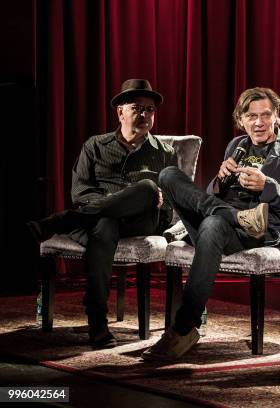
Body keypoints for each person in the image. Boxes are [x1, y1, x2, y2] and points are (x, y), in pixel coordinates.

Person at [142, 87, 280, 361]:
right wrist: (219, 181)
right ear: (240, 119)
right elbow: (207, 197)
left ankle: (184, 327)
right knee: (168, 174)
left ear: (276, 116)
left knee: (212, 224)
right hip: (224, 217)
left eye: (266, 115)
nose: (259, 122)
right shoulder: (236, 145)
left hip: (254, 229)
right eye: (251, 116)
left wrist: (268, 186)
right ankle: (229, 215)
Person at [27, 79, 178, 348]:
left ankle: (61, 221)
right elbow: (81, 193)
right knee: (105, 224)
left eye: (150, 109)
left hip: (140, 222)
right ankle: (97, 319)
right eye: (137, 108)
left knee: (146, 188)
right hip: (97, 222)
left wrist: (157, 202)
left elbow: (172, 204)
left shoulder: (164, 153)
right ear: (120, 111)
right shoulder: (95, 145)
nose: (144, 115)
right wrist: (114, 203)